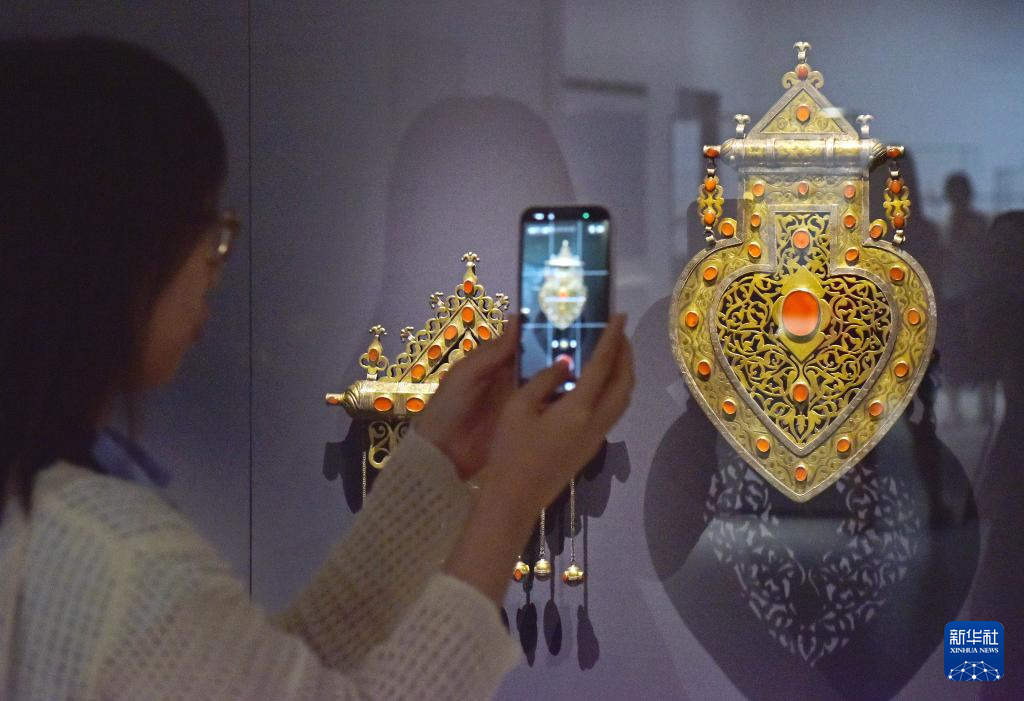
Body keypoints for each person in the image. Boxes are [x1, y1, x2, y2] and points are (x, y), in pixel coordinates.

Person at [0, 37, 634, 700]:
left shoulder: (64, 518)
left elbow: (276, 674)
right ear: (109, 247)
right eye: (202, 223)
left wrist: (441, 462)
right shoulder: (113, 557)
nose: (214, 261)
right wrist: (510, 498)